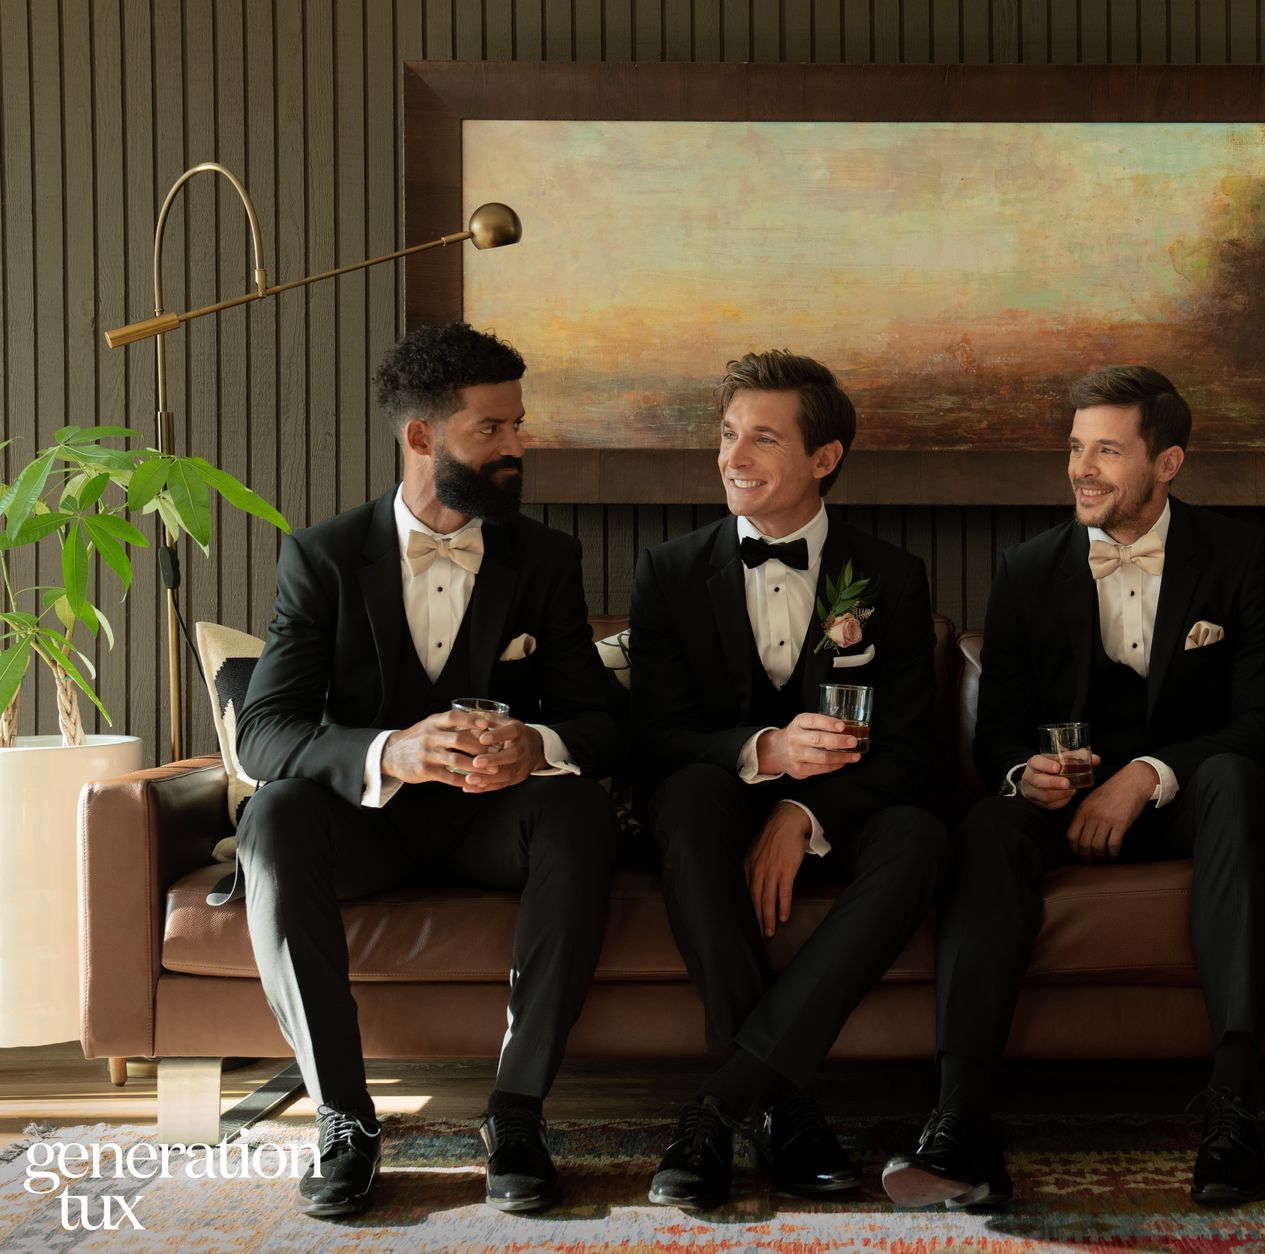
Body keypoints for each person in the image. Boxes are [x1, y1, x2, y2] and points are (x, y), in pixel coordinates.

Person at [880, 365, 1265, 1210]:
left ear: (1169, 462)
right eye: (1076, 447)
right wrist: (1021, 774)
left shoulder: (1243, 556)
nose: (1082, 468)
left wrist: (1145, 776)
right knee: (988, 831)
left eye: (1108, 449)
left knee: (1241, 782)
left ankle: (1232, 1109)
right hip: (1062, 805)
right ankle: (959, 1121)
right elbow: (998, 732)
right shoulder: (1028, 569)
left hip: (1190, 805)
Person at [232, 322, 624, 1217]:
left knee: (581, 813)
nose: (518, 445)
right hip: (366, 827)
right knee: (274, 815)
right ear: (423, 438)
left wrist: (539, 745)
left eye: (518, 425)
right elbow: (265, 731)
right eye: (494, 429)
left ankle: (517, 1113)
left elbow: (601, 721)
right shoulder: (322, 557)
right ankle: (344, 1117)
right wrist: (388, 751)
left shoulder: (545, 559)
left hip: (497, 825)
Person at [629, 350, 949, 1211]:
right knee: (688, 798)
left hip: (846, 813)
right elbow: (657, 743)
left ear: (824, 458)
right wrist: (767, 757)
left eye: (763, 438)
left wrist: (802, 811)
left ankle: (721, 1104)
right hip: (716, 798)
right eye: (729, 435)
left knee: (922, 834)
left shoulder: (893, 576)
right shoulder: (666, 573)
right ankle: (787, 1106)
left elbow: (911, 754)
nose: (735, 456)